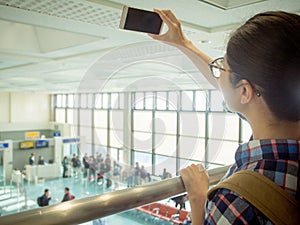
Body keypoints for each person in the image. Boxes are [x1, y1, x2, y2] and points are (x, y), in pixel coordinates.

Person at [150, 9, 300, 224]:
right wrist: (183, 43)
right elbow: (238, 88)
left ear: (245, 92)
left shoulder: (235, 202)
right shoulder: (282, 121)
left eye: (222, 67)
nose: (218, 75)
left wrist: (198, 199)